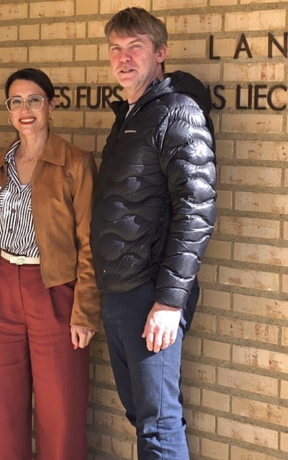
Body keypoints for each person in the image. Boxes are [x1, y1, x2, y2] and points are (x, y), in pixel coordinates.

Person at [90, 7, 217, 459]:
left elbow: (196, 209)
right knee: (142, 416)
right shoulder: (130, 116)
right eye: (115, 49)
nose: (123, 58)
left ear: (160, 53)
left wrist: (168, 302)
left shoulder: (176, 112)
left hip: (151, 294)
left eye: (135, 47)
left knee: (158, 425)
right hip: (120, 292)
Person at [0, 68, 100, 460]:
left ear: (51, 106)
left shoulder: (75, 163)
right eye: (16, 102)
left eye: (34, 100)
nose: (25, 109)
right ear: (8, 111)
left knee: (61, 409)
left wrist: (85, 312)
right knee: (2, 408)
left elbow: (90, 244)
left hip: (54, 290)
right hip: (3, 286)